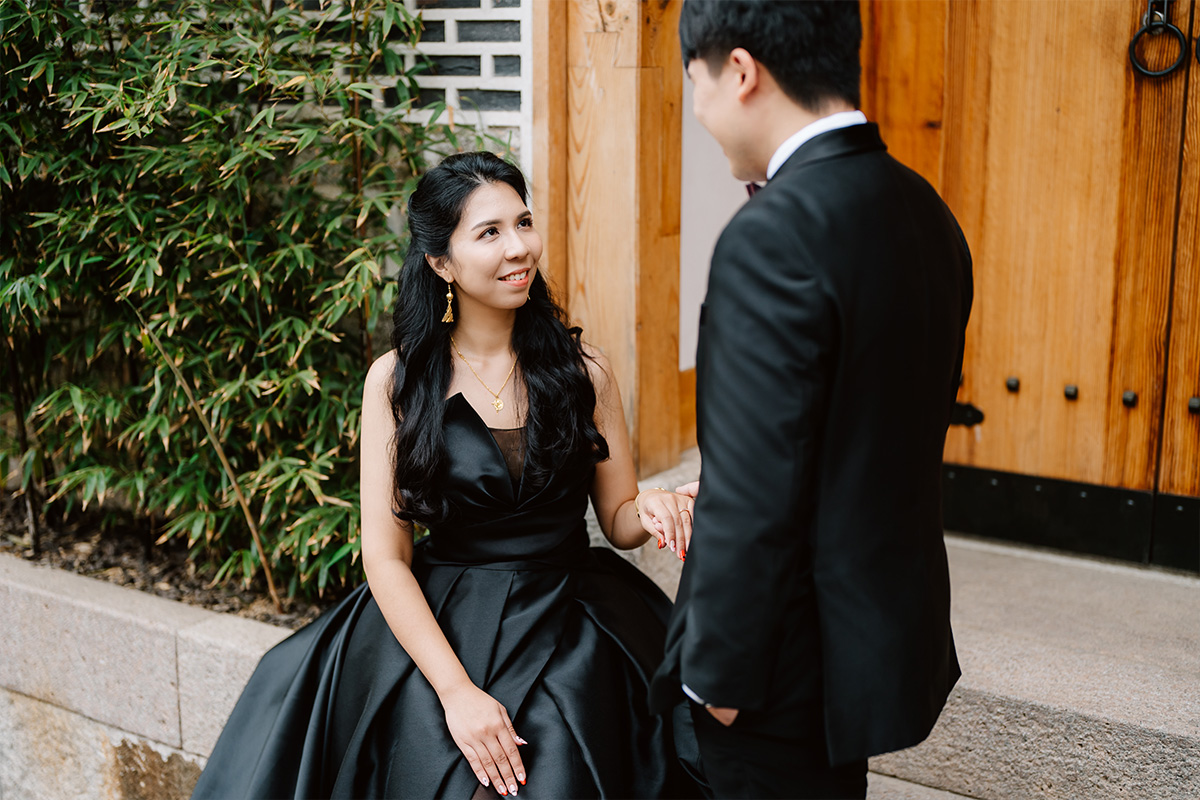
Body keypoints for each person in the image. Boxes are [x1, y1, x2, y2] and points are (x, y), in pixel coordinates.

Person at [192, 151, 703, 800]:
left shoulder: (584, 371)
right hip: (444, 617)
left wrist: (655, 506)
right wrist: (457, 693)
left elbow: (619, 521)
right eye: (489, 233)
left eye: (523, 222)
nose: (519, 247)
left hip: (571, 609)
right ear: (440, 263)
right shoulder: (398, 383)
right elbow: (386, 557)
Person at [650, 2, 973, 799]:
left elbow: (755, 487)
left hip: (772, 671)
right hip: (865, 647)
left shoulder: (774, 236)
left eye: (695, 82)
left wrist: (717, 682)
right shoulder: (923, 210)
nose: (699, 112)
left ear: (740, 71)